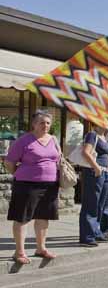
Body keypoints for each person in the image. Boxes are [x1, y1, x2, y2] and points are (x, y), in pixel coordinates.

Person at [4, 110, 60, 264]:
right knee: (22, 218)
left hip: (50, 184)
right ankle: (19, 252)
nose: (46, 125)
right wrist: (22, 174)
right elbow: (9, 163)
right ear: (34, 124)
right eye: (42, 122)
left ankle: (41, 248)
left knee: (43, 217)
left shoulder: (54, 140)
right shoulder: (23, 141)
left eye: (48, 123)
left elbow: (58, 159)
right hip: (26, 184)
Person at [79, 124, 108, 247]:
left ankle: (96, 231)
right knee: (91, 204)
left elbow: (106, 157)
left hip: (105, 173)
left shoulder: (105, 137)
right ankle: (87, 236)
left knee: (100, 204)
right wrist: (96, 167)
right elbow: (86, 152)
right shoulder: (92, 135)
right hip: (94, 173)